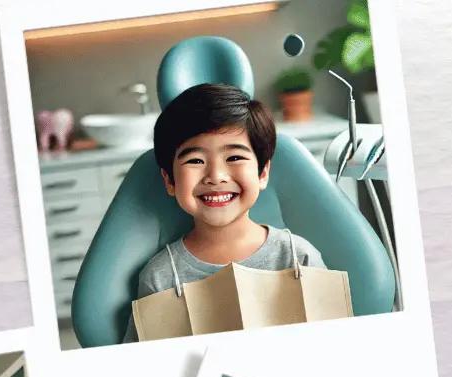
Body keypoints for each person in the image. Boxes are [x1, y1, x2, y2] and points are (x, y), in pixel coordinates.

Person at [124, 83, 325, 342]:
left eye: (234, 158)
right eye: (195, 161)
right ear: (170, 181)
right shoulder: (160, 278)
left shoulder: (298, 257)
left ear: (262, 173)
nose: (216, 176)